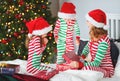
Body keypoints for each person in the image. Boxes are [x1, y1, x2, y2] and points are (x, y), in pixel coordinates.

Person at [69, 9, 114, 77]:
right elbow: (87, 48)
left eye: (88, 21)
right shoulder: (93, 38)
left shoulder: (104, 42)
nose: (86, 22)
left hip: (106, 70)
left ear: (95, 24)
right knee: (75, 66)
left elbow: (96, 63)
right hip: (96, 67)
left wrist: (80, 64)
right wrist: (82, 57)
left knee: (86, 68)